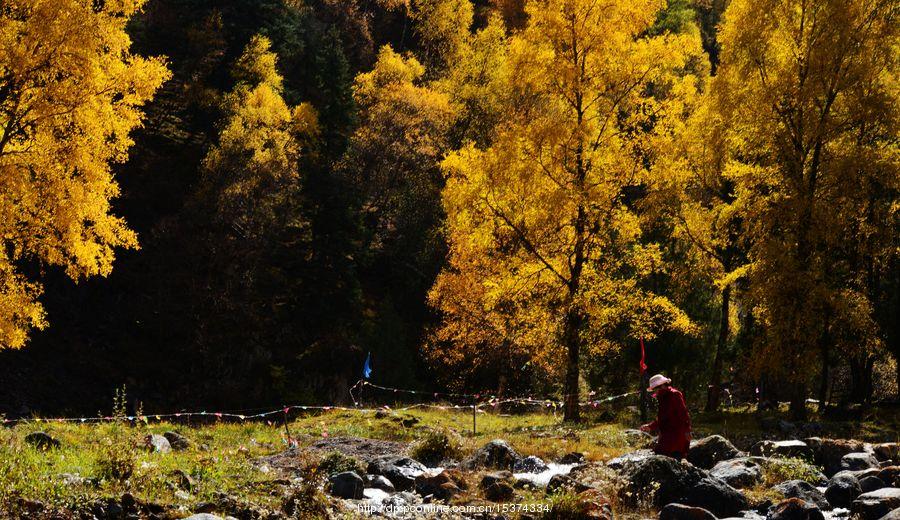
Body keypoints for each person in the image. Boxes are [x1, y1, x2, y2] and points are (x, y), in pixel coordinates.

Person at [639, 374, 691, 460]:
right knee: (660, 457)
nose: (655, 391)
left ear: (663, 385)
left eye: (656, 388)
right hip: (666, 435)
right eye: (654, 389)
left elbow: (684, 414)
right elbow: (662, 417)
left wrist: (687, 431)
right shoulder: (661, 397)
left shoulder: (675, 395)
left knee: (673, 459)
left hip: (678, 434)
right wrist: (650, 426)